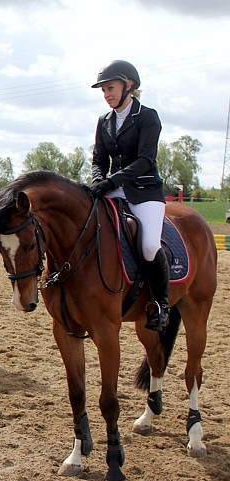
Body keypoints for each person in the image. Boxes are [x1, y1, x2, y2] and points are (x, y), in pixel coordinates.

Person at [89, 60, 169, 331]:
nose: (106, 94)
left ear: (129, 86)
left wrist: (112, 180)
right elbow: (98, 159)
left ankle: (161, 304)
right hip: (112, 190)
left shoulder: (148, 117)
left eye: (110, 88)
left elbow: (146, 159)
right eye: (103, 90)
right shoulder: (104, 121)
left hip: (145, 192)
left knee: (148, 245)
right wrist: (98, 180)